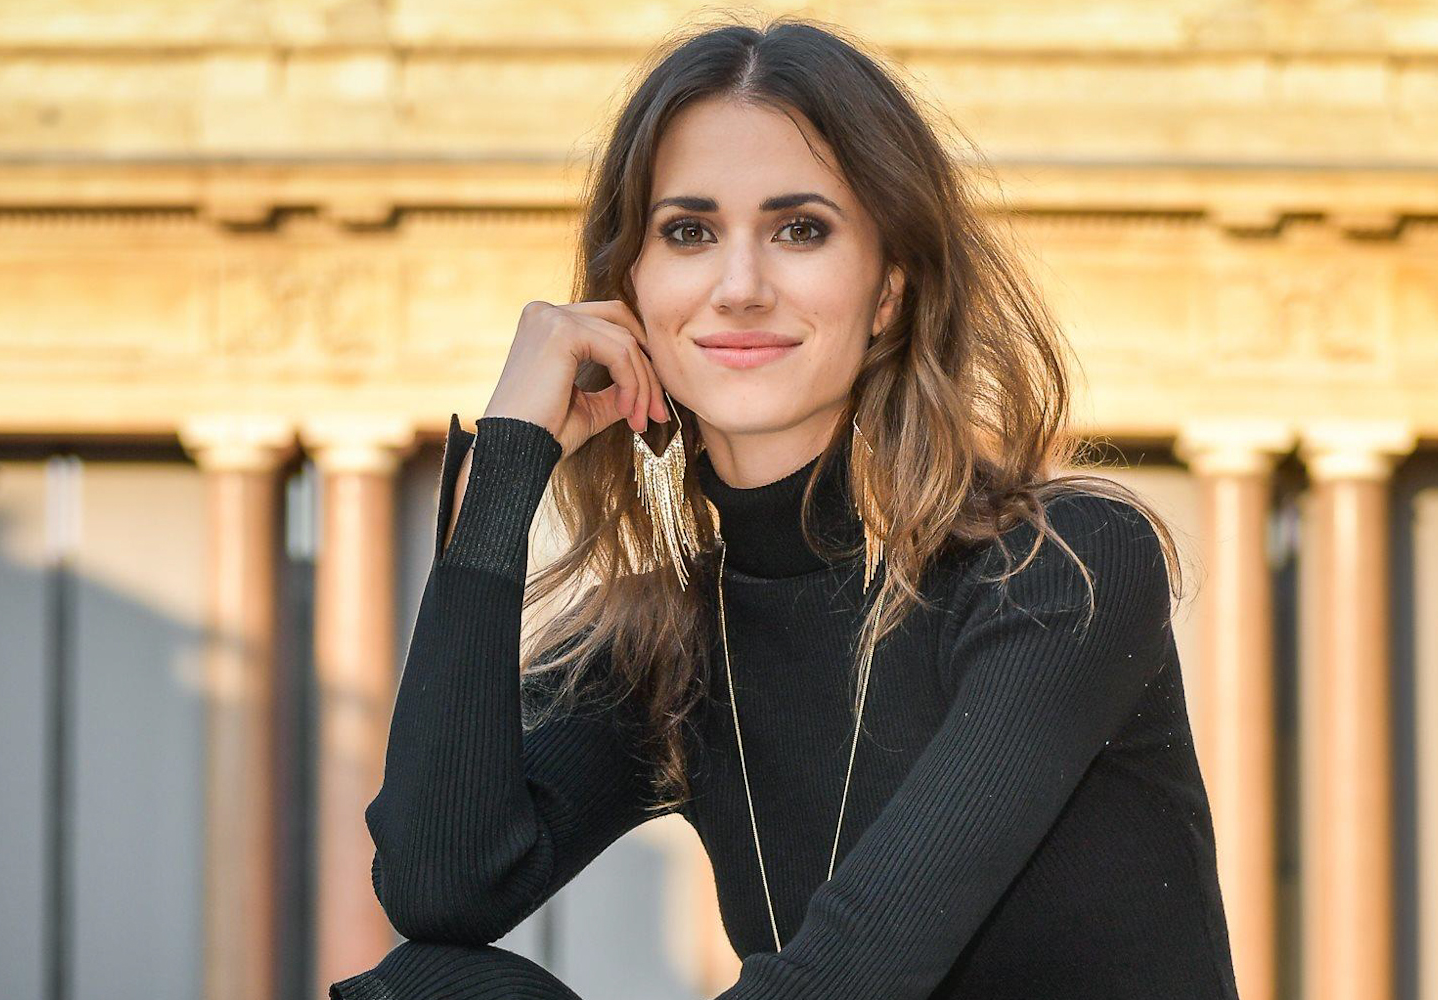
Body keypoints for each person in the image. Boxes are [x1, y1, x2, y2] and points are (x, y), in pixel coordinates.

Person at [329, 15, 1241, 1000]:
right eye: (689, 232)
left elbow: (846, 975)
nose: (740, 287)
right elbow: (440, 884)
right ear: (632, 291)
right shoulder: (674, 637)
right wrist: (503, 471)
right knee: (426, 986)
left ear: (888, 290)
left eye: (800, 229)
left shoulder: (1062, 569)